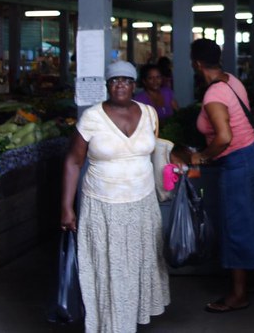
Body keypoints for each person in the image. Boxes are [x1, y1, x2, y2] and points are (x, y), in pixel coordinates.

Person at [60, 60, 169, 333]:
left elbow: (155, 150)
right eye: (115, 80)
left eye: (126, 80)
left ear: (134, 85)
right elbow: (73, 162)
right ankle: (112, 324)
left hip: (143, 202)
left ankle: (131, 317)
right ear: (107, 85)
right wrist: (67, 207)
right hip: (103, 204)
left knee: (139, 262)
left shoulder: (149, 113)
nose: (121, 85)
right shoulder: (92, 118)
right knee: (111, 266)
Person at [188, 38, 254, 314]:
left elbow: (224, 137)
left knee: (236, 225)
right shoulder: (231, 81)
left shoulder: (213, 95)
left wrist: (202, 156)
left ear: (197, 64)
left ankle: (238, 294)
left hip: (239, 162)